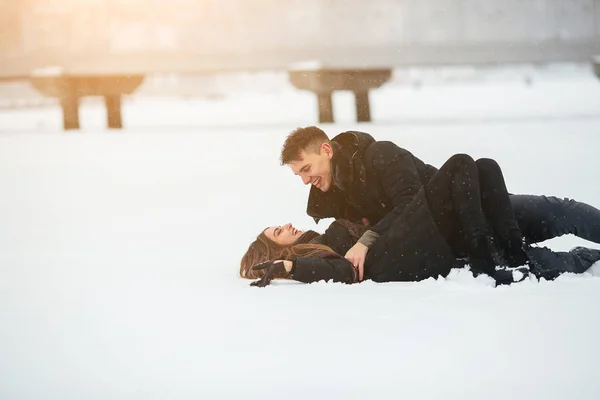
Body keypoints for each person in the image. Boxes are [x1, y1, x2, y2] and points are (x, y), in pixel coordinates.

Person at [280, 126, 600, 278]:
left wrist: (368, 239)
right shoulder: (338, 197)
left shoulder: (380, 155)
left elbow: (409, 201)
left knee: (557, 212)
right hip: (456, 240)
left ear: (326, 150)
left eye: (306, 169)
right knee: (543, 259)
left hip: (475, 206)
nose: (306, 180)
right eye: (300, 176)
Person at [241, 154, 600, 287]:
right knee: (568, 258)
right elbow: (335, 271)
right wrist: (288, 266)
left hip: (467, 206)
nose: (285, 225)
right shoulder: (325, 246)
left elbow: (404, 197)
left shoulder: (346, 202)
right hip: (450, 228)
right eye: (278, 232)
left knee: (559, 210)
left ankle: (511, 255)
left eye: (309, 171)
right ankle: (513, 258)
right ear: (276, 246)